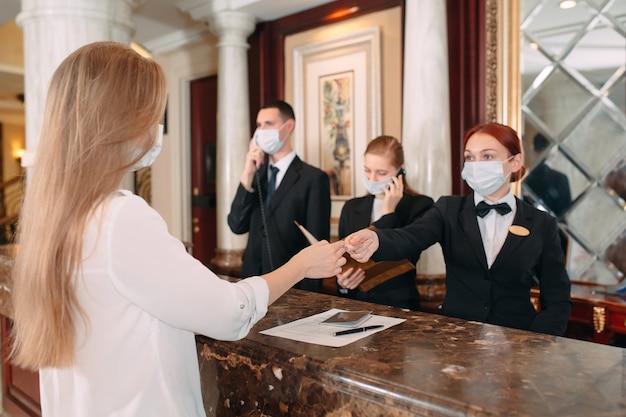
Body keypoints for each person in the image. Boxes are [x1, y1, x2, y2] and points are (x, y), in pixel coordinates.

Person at [9, 41, 346, 417]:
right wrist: (300, 265)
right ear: (123, 120)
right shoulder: (121, 217)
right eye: (152, 113)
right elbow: (228, 312)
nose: (157, 128)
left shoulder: (54, 216)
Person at [344, 122, 572, 336]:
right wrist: (376, 238)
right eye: (469, 157)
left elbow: (558, 299)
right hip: (457, 337)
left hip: (517, 339)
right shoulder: (449, 209)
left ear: (514, 161)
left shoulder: (542, 224)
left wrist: (536, 341)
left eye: (488, 156)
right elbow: (411, 236)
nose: (476, 164)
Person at [228, 100, 331, 292]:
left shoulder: (313, 179)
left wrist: (309, 300)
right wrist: (247, 174)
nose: (261, 130)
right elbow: (236, 225)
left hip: (293, 286)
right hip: (253, 282)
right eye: (259, 125)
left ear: (288, 126)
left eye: (269, 124)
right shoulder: (256, 176)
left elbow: (317, 246)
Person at [336, 135, 433, 310]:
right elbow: (345, 258)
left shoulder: (420, 205)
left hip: (398, 306)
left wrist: (389, 214)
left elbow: (404, 255)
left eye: (381, 173)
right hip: (355, 304)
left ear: (400, 170)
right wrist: (343, 283)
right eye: (367, 170)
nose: (372, 179)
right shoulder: (351, 207)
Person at [524, 133, 572, 217]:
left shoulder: (525, 178)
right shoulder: (561, 179)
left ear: (533, 149)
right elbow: (566, 212)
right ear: (553, 151)